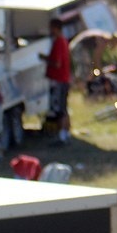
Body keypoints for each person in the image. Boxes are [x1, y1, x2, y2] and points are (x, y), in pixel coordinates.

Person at [41, 17, 71, 145]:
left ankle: (62, 135)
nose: (50, 30)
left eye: (51, 27)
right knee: (64, 107)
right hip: (64, 79)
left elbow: (57, 63)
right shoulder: (63, 41)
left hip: (59, 79)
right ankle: (66, 132)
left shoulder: (59, 42)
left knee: (60, 109)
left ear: (56, 28)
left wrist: (45, 59)